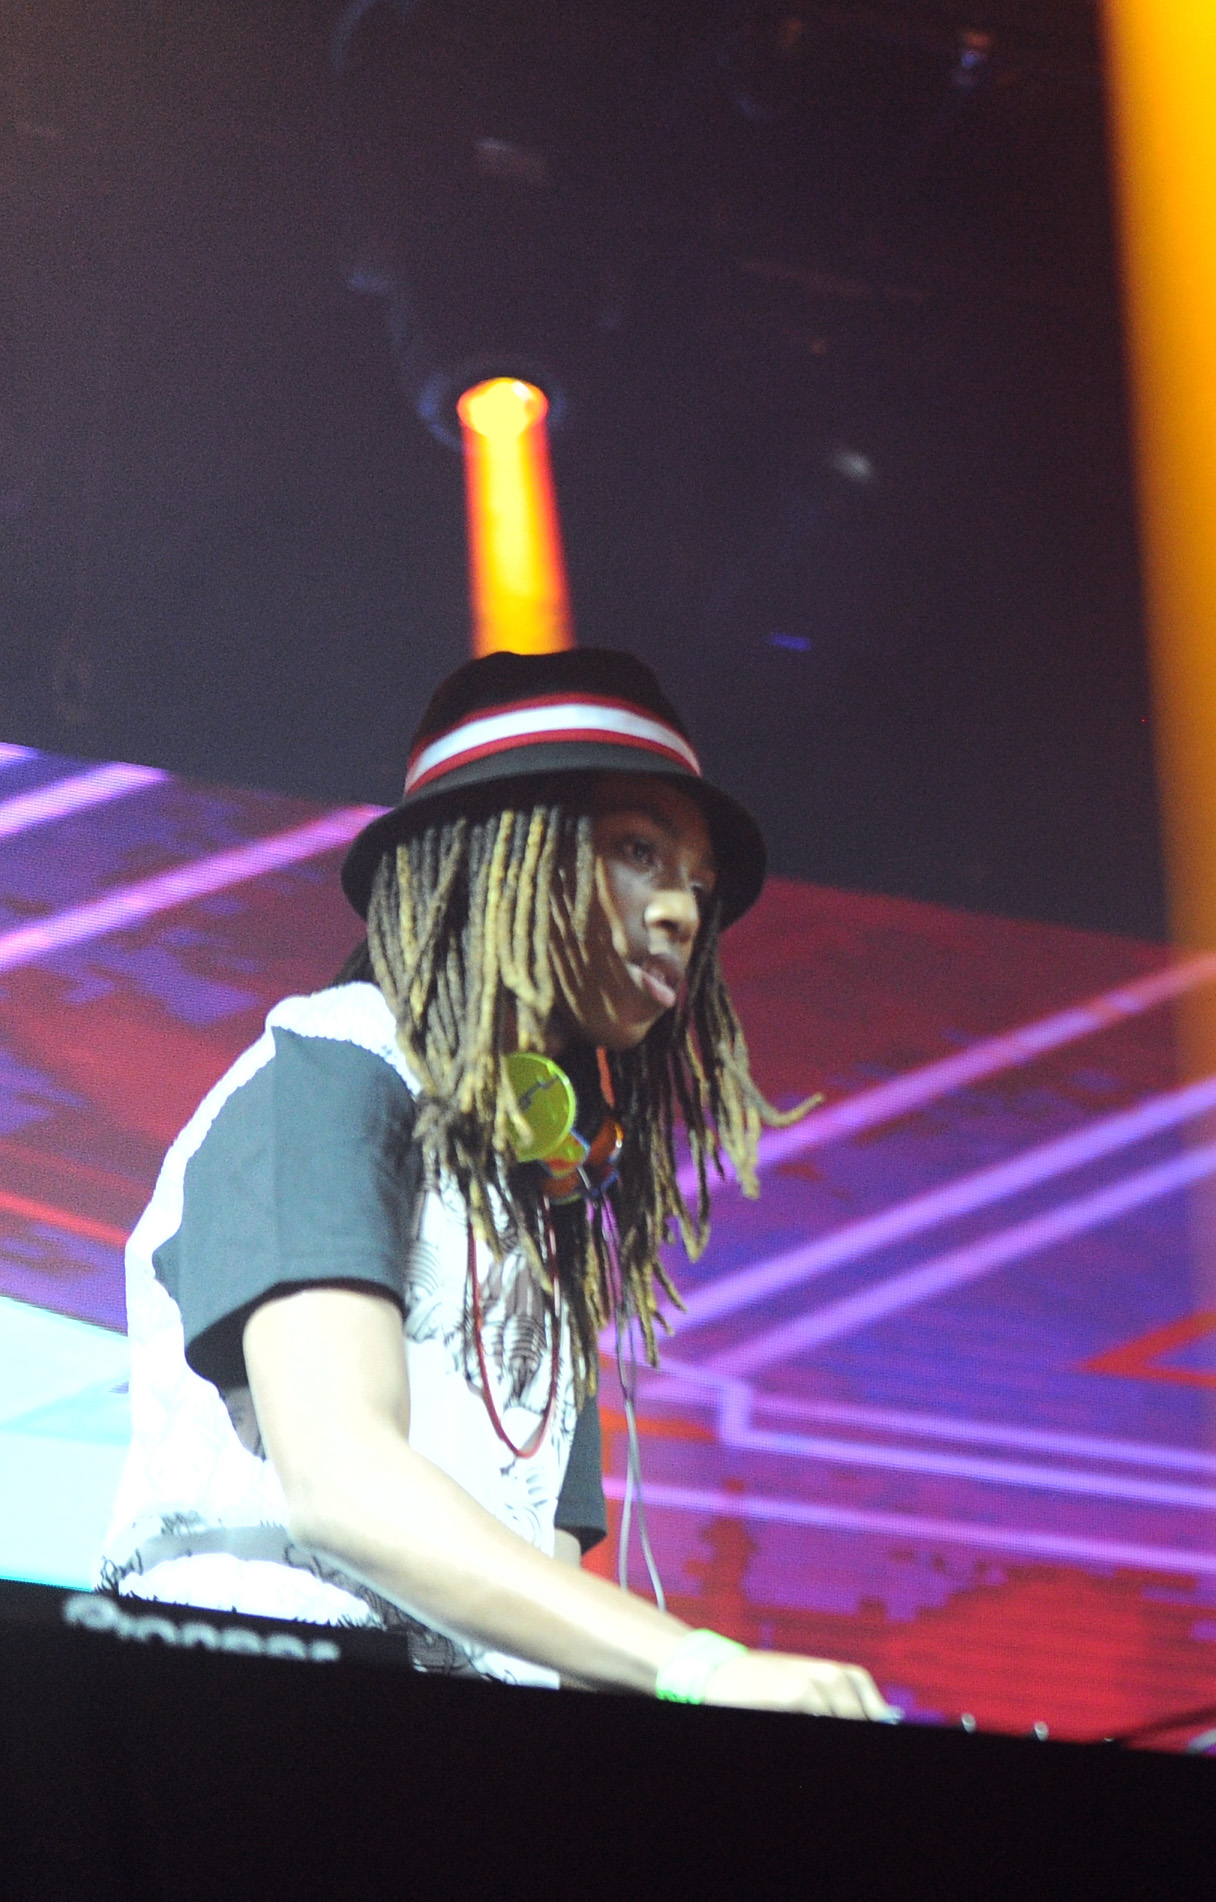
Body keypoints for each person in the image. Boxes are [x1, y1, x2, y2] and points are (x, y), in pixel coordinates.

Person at [96, 648, 887, 1715]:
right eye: (639, 851)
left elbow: (544, 1593)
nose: (683, 913)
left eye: (697, 886)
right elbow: (339, 1484)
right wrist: (707, 1667)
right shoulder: (334, 1072)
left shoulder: (543, 1205)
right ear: (498, 851)